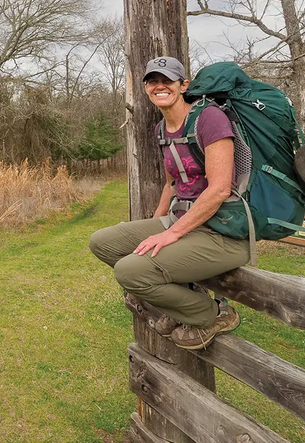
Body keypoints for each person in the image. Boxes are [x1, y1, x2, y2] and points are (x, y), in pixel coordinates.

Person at [88, 56, 250, 350]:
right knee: (103, 242)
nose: (160, 86)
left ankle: (212, 314)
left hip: (224, 231)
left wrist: (171, 233)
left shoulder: (209, 119)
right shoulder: (162, 130)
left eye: (167, 80)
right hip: (183, 221)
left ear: (183, 85)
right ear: (146, 88)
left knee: (129, 271)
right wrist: (155, 225)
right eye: (153, 81)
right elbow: (172, 184)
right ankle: (180, 304)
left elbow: (219, 190)